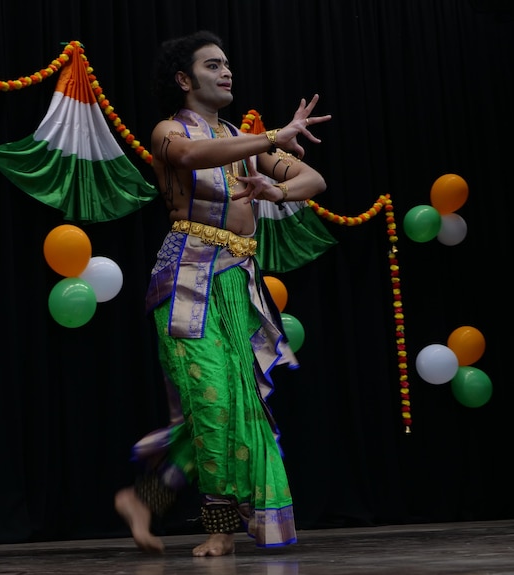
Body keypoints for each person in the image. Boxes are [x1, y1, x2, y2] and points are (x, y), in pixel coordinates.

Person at [114, 30, 331, 557]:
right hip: (187, 280)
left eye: (228, 64)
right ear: (185, 80)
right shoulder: (169, 130)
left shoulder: (241, 140)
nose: (226, 71)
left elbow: (314, 179)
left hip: (237, 282)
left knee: (235, 404)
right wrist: (271, 138)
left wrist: (276, 188)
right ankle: (218, 527)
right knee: (212, 402)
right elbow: (190, 154)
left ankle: (142, 499)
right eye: (213, 65)